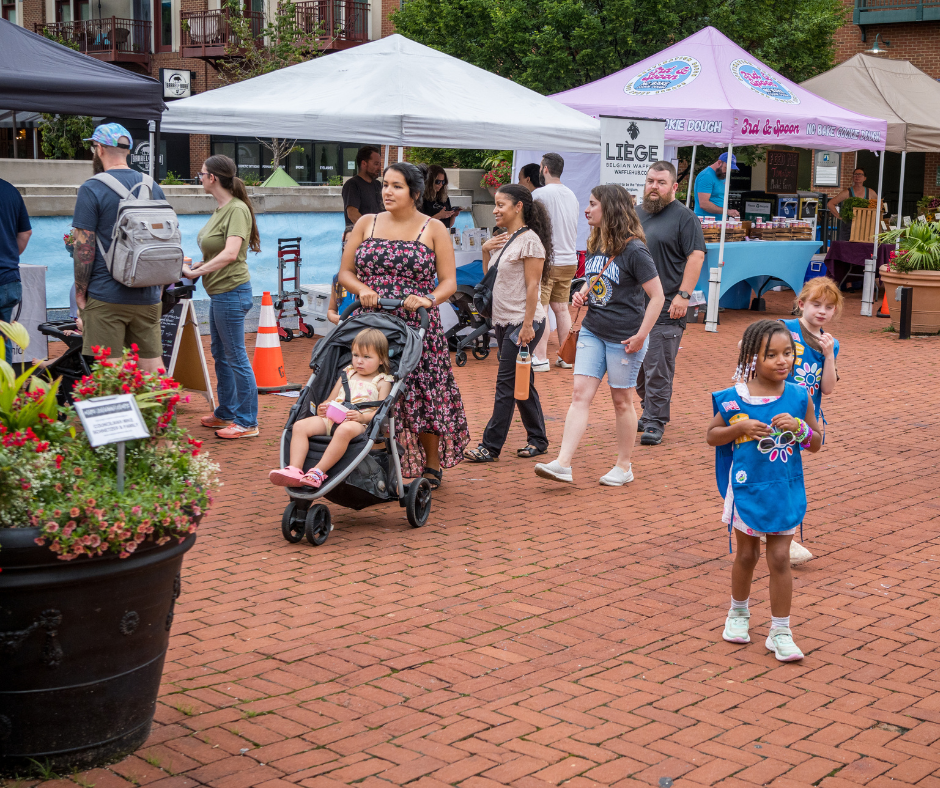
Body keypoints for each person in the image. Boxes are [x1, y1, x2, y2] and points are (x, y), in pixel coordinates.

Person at [338, 162, 469, 488]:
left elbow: (449, 282)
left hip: (417, 324)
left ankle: (431, 464)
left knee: (424, 393)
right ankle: (370, 454)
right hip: (369, 322)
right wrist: (362, 289)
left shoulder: (432, 228)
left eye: (396, 186)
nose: (387, 191)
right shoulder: (366, 223)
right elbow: (345, 273)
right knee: (369, 388)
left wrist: (428, 298)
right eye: (385, 185)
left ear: (415, 192)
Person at [534, 185, 665, 486]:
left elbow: (657, 297)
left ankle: (624, 465)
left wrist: (642, 335)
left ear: (610, 208)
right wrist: (582, 293)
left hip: (624, 337)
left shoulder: (635, 249)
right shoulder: (595, 241)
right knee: (580, 395)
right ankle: (563, 463)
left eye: (593, 204)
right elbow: (597, 278)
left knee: (622, 401)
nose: (587, 209)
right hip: (593, 330)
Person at [707, 319, 822, 661]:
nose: (782, 361)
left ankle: (780, 630)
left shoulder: (800, 396)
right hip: (747, 490)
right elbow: (712, 436)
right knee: (746, 555)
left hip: (783, 490)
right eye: (771, 354)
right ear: (752, 357)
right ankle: (738, 614)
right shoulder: (732, 400)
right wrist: (738, 427)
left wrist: (800, 427)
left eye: (788, 353)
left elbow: (816, 442)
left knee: (780, 558)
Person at [463, 184, 553, 463]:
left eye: (501, 204)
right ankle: (538, 439)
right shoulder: (507, 238)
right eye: (496, 204)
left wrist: (527, 326)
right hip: (504, 322)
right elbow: (493, 280)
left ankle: (490, 446)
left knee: (506, 384)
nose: (495, 210)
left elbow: (532, 287)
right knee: (521, 382)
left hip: (523, 323)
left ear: (518, 207)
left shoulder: (530, 241)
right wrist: (486, 251)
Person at [72, 123, 165, 373]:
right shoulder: (151, 185)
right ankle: (161, 411)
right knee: (152, 369)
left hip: (106, 294)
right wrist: (159, 285)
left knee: (113, 373)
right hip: (147, 293)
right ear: (127, 150)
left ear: (100, 149)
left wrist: (80, 292)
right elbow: (164, 239)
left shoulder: (92, 188)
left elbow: (84, 247)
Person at [182, 154, 261, 440]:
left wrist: (195, 272)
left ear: (212, 178)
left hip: (231, 292)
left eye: (201, 174)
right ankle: (226, 411)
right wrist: (196, 267)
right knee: (221, 354)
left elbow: (229, 254)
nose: (199, 179)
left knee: (236, 356)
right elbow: (217, 252)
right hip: (219, 293)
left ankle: (247, 421)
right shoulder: (221, 209)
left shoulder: (236, 210)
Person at [635, 161, 706, 446]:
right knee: (637, 368)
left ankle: (655, 420)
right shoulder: (636, 213)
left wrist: (684, 295)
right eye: (651, 181)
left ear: (674, 186)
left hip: (667, 306)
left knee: (658, 366)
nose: (654, 186)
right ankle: (649, 407)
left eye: (661, 182)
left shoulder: (684, 217)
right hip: (634, 307)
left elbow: (697, 256)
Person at [269, 328, 394, 488]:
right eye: (355, 355)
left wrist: (362, 418)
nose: (359, 361)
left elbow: (380, 412)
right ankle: (295, 469)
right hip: (332, 418)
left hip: (357, 423)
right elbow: (331, 398)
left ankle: (318, 471)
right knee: (300, 426)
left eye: (366, 357)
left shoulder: (382, 381)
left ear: (381, 360)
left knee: (344, 430)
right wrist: (324, 407)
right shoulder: (347, 373)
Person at [531, 153, 580, 373]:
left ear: (545, 169)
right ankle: (566, 357)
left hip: (547, 259)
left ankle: (540, 357)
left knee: (541, 309)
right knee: (561, 309)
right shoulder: (572, 195)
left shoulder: (538, 194)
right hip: (569, 259)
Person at [0, 177, 31, 363]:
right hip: (8, 279)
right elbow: (25, 232)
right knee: (3, 340)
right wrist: (9, 256)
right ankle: (6, 389)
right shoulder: (11, 191)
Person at [342, 145, 383, 228]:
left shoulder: (378, 184)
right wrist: (371, 230)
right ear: (364, 163)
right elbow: (352, 214)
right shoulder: (352, 185)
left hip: (378, 236)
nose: (379, 168)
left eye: (380, 164)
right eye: (376, 164)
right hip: (359, 237)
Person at [828, 167, 873, 241]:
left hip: (864, 227)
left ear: (865, 178)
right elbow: (830, 204)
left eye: (860, 174)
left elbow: (879, 205)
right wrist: (839, 216)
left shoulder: (870, 192)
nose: (857, 176)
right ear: (852, 177)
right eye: (855, 174)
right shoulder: (847, 192)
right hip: (849, 227)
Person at [694, 152, 740, 219]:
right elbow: (704, 204)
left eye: (730, 170)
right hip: (705, 221)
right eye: (726, 168)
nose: (727, 172)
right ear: (719, 163)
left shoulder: (722, 175)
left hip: (719, 221)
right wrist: (727, 211)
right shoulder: (706, 176)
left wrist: (725, 216)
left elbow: (720, 197)